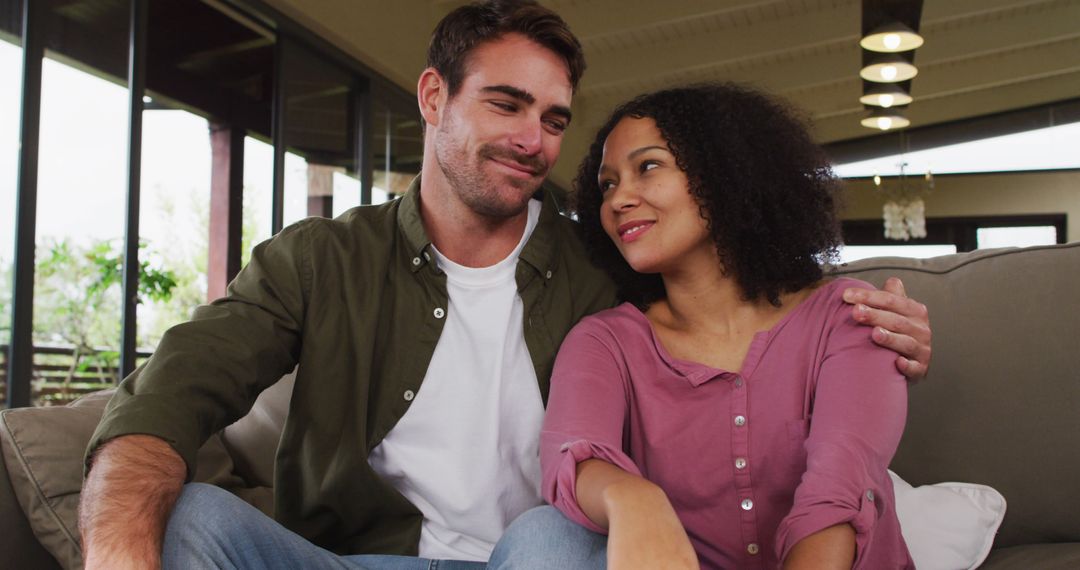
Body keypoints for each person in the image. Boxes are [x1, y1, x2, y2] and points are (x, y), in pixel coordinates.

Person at [77, 2, 930, 569]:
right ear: (434, 96)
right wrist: (118, 545)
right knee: (192, 518)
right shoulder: (320, 259)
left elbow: (733, 295)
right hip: (353, 560)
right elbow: (175, 390)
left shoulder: (604, 263)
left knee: (552, 535)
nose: (533, 138)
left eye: (554, 120)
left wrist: (869, 318)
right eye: (506, 105)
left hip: (539, 558)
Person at [531, 83, 915, 569]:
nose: (618, 199)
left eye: (648, 167)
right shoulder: (605, 341)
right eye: (607, 184)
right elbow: (574, 457)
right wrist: (633, 498)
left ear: (723, 175)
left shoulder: (849, 316)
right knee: (543, 536)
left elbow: (836, 494)